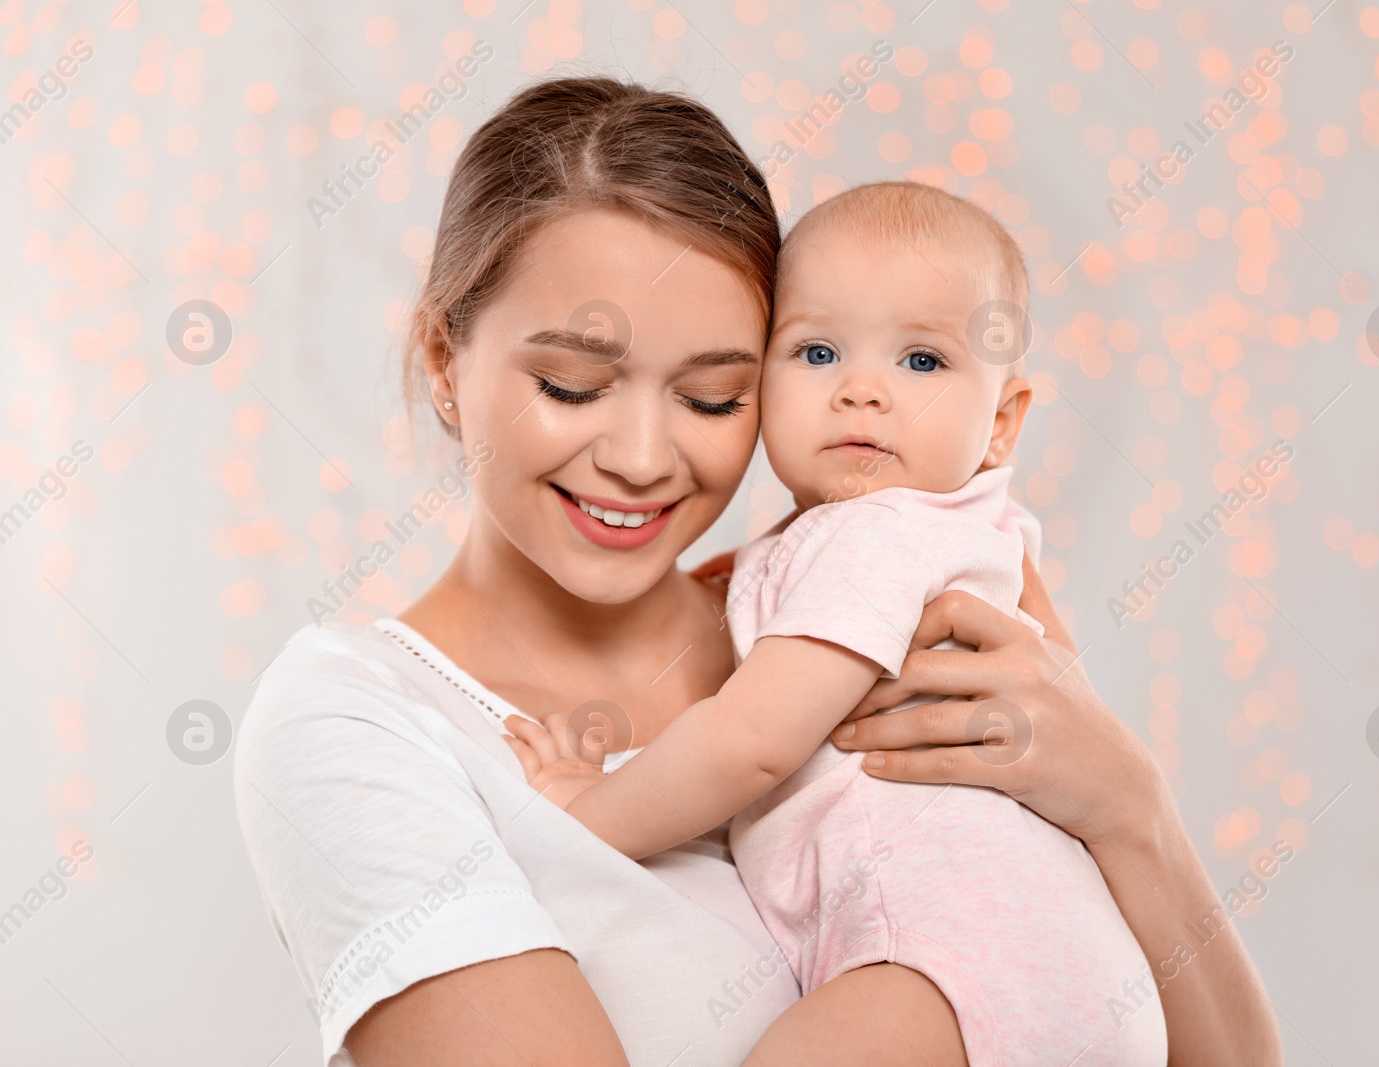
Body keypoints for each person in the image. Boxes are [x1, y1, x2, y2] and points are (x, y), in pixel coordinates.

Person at [233, 74, 1282, 1067]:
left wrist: (1132, 810)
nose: (642, 456)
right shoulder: (355, 722)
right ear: (441, 361)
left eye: (711, 398)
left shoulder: (877, 613)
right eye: (571, 381)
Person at [500, 179, 1164, 1066]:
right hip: (1062, 970)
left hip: (949, 965)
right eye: (816, 352)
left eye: (922, 362)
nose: (861, 391)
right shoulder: (956, 530)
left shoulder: (878, 535)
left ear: (1002, 423)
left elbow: (753, 741)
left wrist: (588, 812)